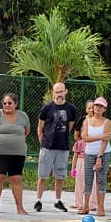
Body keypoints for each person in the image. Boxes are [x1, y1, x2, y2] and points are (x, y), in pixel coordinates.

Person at [34, 82, 79, 213]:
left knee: (60, 175)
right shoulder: (46, 108)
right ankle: (38, 200)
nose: (59, 94)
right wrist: (42, 139)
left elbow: (70, 126)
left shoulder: (71, 109)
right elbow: (40, 126)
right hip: (48, 146)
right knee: (42, 174)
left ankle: (58, 200)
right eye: (56, 92)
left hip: (62, 146)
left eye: (61, 91)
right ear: (53, 93)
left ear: (66, 92)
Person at [0, 92, 30, 215]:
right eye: (4, 103)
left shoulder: (23, 116)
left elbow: (26, 131)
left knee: (16, 178)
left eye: (10, 103)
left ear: (15, 104)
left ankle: (20, 207)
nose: (7, 105)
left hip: (18, 153)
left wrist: (15, 141)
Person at [80, 96, 111, 216]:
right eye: (97, 105)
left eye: (101, 106)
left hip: (103, 153)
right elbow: (85, 138)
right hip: (89, 153)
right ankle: (85, 206)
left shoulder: (107, 122)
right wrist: (100, 137)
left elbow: (106, 140)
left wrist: (100, 156)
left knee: (101, 180)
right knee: (88, 179)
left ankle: (100, 207)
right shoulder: (87, 121)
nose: (98, 108)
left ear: (104, 109)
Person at [71, 100, 93, 210]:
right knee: (79, 183)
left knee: (92, 183)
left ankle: (92, 204)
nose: (92, 110)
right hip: (80, 161)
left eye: (93, 107)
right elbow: (75, 156)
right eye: (89, 108)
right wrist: (73, 168)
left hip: (91, 159)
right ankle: (79, 203)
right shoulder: (79, 143)